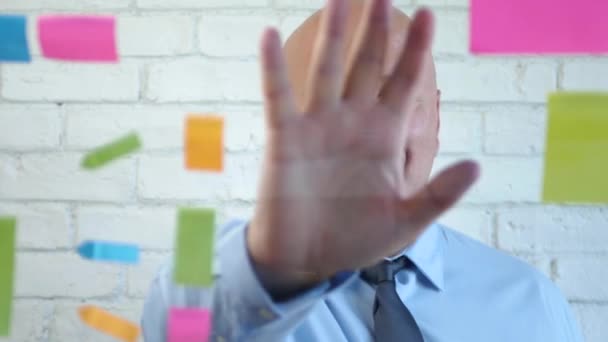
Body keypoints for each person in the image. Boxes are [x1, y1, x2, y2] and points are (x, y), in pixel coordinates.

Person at [142, 1, 584, 341]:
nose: (376, 132)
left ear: (436, 118)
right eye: (338, 105)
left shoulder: (532, 302)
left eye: (399, 97)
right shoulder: (221, 288)